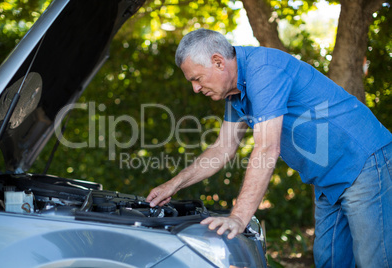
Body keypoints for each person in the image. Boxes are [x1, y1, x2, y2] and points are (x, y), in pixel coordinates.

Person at [145, 28, 392, 267]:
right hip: (328, 179)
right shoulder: (236, 93)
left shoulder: (264, 71)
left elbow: (266, 148)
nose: (195, 88)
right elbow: (223, 148)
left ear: (219, 62)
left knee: (374, 261)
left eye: (196, 79)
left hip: (364, 163)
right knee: (330, 261)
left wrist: (239, 218)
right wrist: (173, 184)